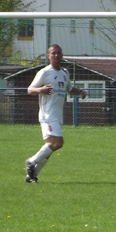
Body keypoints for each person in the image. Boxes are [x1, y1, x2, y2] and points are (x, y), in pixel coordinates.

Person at [24, 45, 86, 183]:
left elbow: (69, 88)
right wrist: (41, 90)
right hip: (48, 114)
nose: (56, 55)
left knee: (50, 147)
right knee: (58, 142)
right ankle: (31, 161)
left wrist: (80, 91)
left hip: (58, 115)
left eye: (58, 53)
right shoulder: (44, 72)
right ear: (49, 56)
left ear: (62, 55)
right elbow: (30, 90)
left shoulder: (64, 73)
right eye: (53, 53)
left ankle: (31, 176)